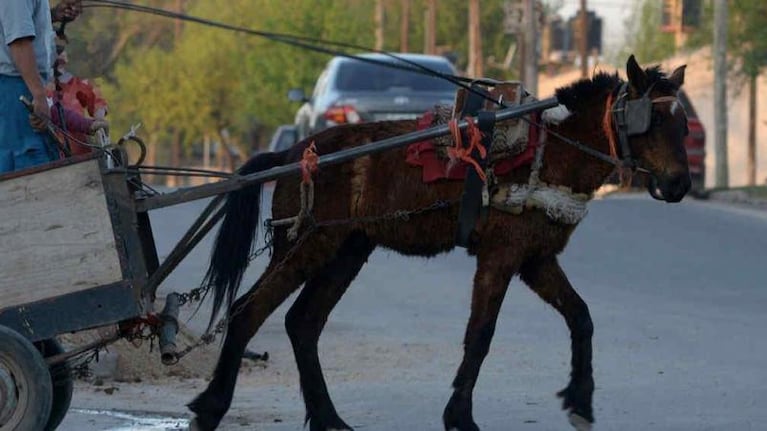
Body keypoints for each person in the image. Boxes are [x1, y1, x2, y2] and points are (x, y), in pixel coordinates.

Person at [0, 0, 82, 173]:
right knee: (27, 167)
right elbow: (19, 42)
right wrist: (38, 95)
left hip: (20, 84)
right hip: (14, 88)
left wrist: (52, 15)